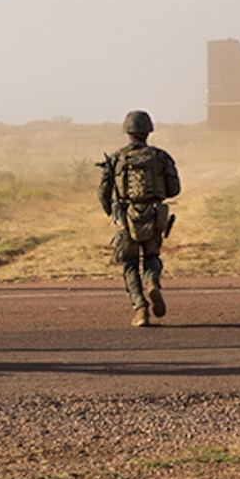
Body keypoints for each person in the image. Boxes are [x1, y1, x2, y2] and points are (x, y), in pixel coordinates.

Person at [98, 110, 180, 327]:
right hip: (154, 216)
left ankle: (140, 309)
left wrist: (112, 212)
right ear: (148, 131)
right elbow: (174, 189)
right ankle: (152, 283)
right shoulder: (161, 157)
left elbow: (103, 192)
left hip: (126, 218)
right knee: (152, 257)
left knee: (130, 265)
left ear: (127, 131)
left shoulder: (116, 158)